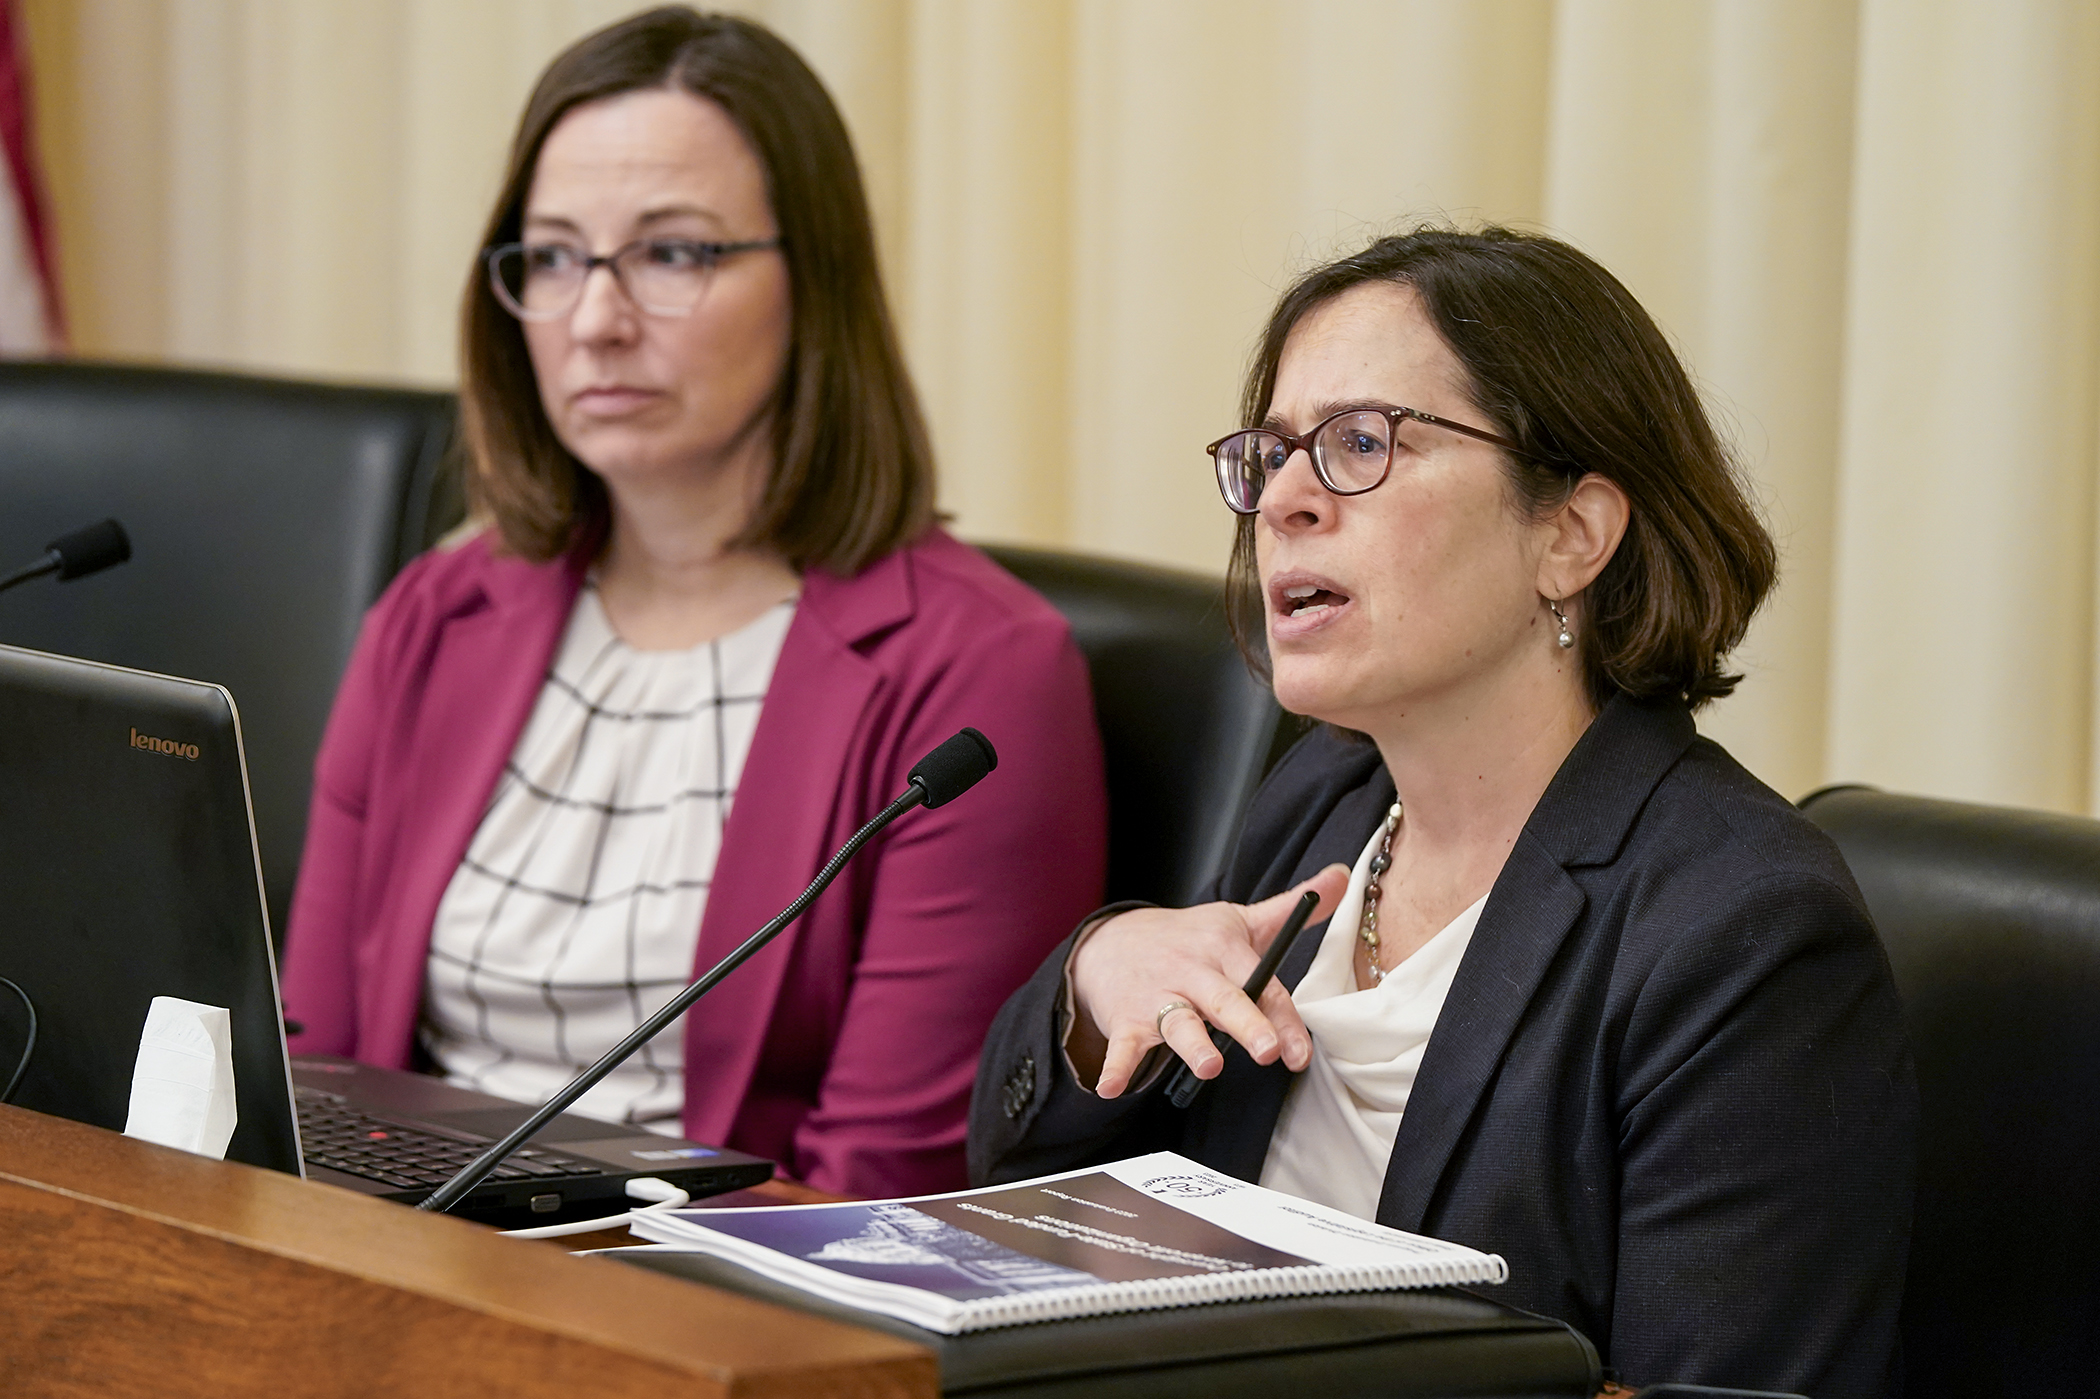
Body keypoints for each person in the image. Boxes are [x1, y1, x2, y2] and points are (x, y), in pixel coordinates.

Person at [969, 227, 1914, 1398]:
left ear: (1569, 533)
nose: (1285, 503)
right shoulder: (1322, 801)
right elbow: (1019, 1195)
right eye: (1271, 455)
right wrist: (1094, 983)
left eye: (1360, 443)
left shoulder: (1744, 931)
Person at [280, 8, 1106, 1200]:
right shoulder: (434, 614)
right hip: (392, 1271)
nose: (597, 319)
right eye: (554, 256)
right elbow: (313, 1067)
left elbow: (876, 1199)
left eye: (672, 254)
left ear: (811, 279)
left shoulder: (979, 676)